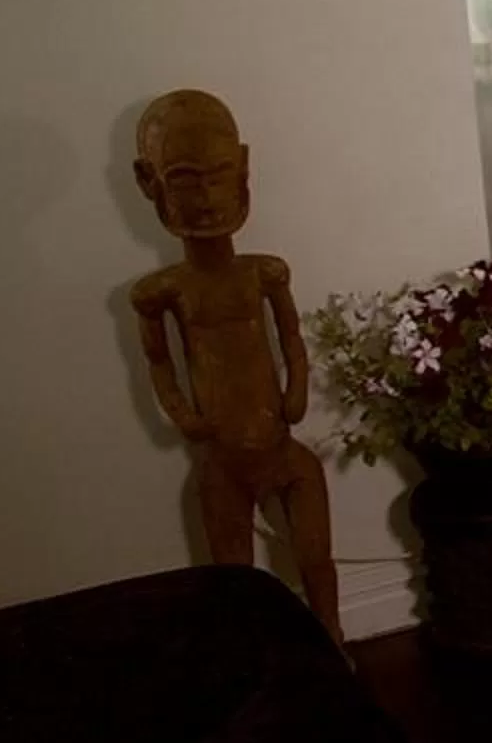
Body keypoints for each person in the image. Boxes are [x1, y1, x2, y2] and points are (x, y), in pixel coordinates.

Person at [128, 89, 340, 636]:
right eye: (184, 180)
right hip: (223, 463)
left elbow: (290, 336)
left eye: (218, 175)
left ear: (242, 171)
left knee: (317, 559)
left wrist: (297, 388)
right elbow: (158, 361)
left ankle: (332, 641)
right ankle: (255, 659)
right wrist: (182, 413)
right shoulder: (163, 292)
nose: (205, 198)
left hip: (283, 449)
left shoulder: (264, 273)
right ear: (150, 183)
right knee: (235, 583)